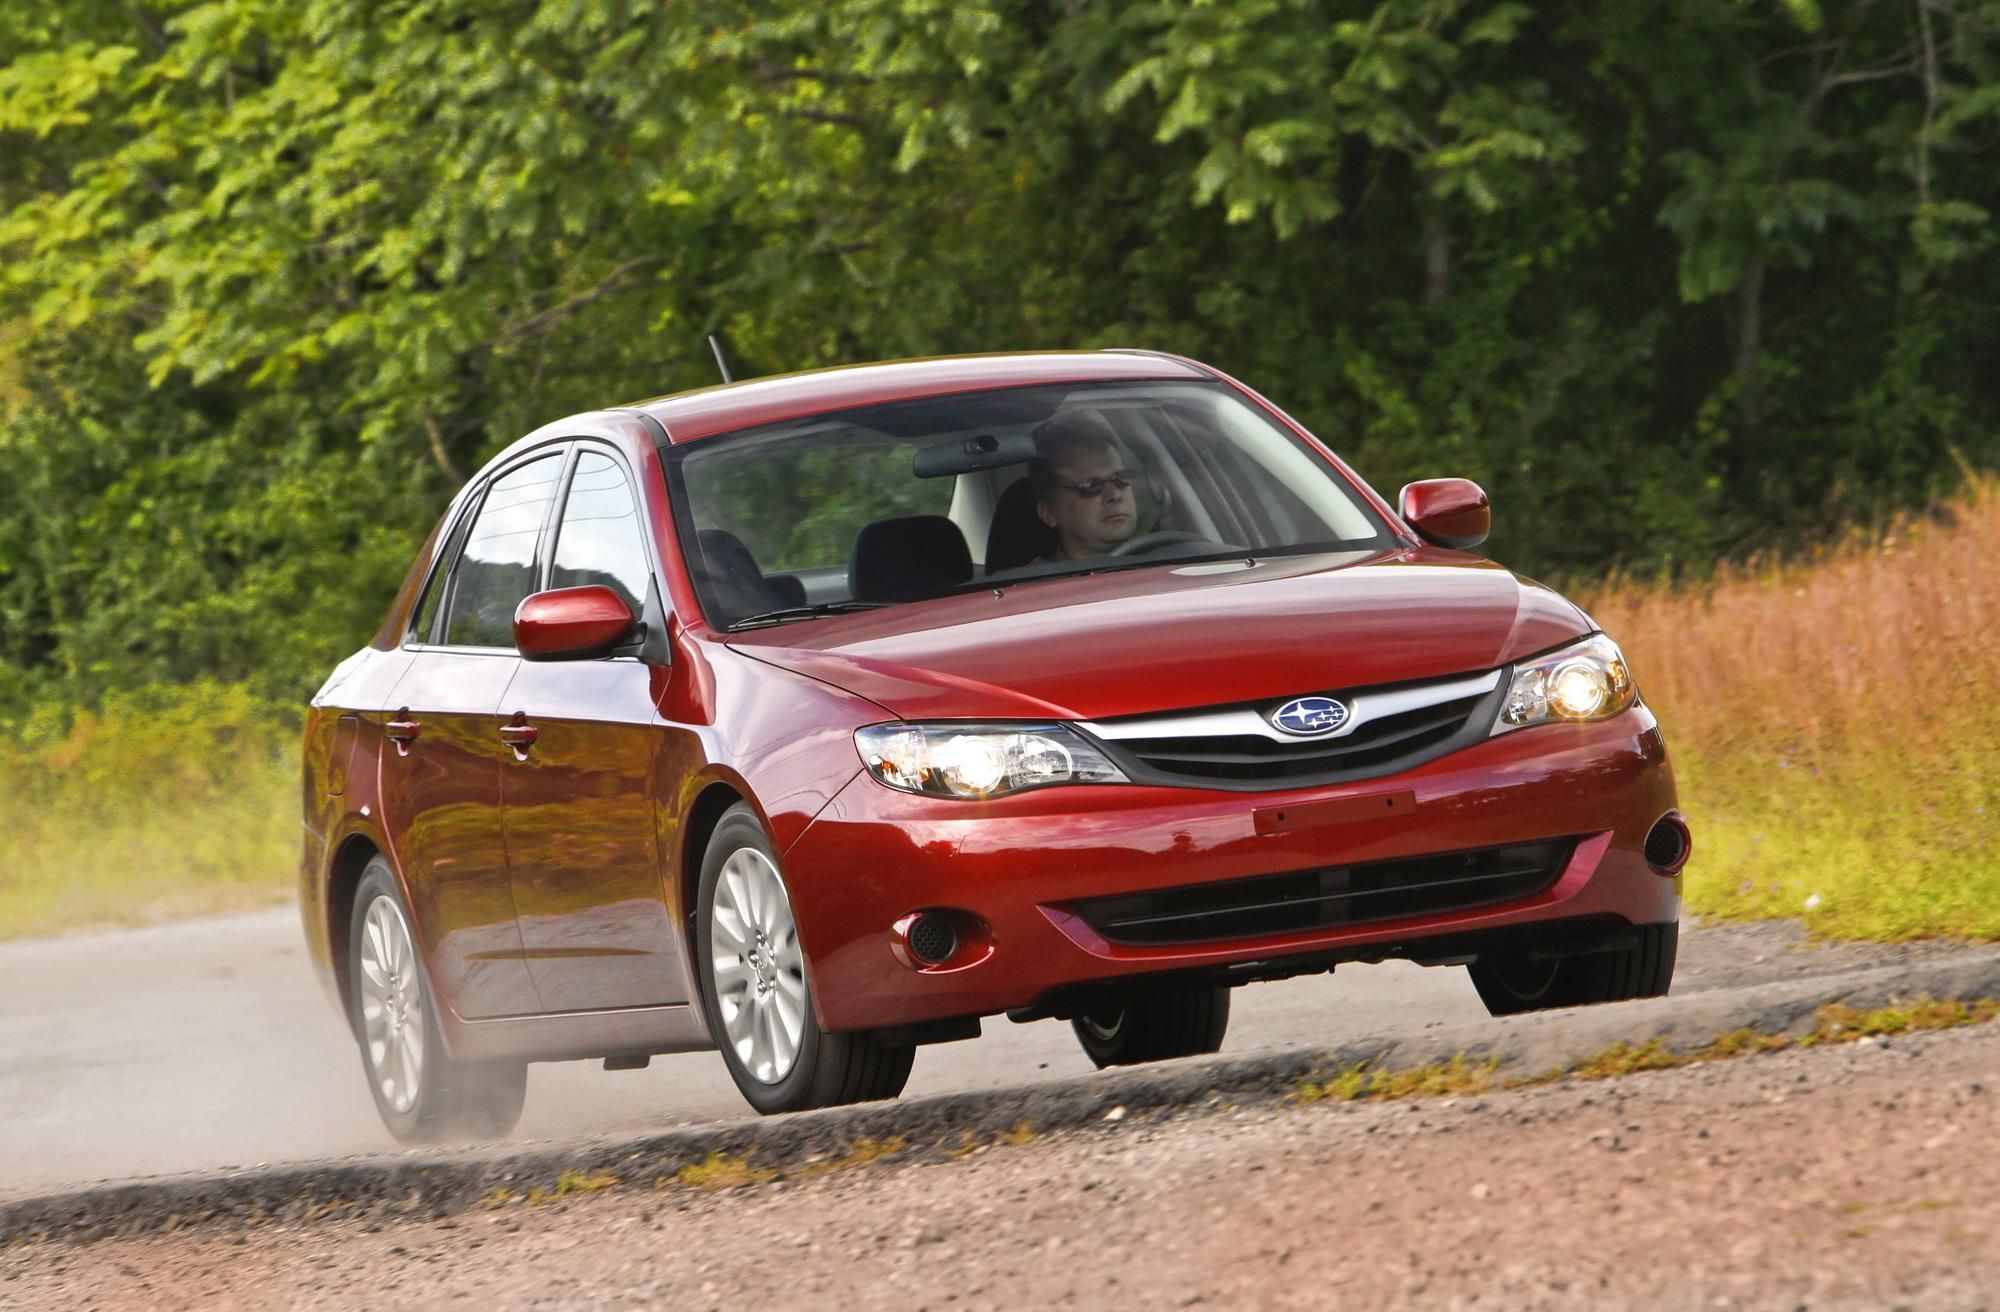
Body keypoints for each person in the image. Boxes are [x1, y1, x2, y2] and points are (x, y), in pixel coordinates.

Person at [1030, 412, 1143, 560]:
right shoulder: (1037, 582)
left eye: (1119, 478)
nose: (1115, 495)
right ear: (1049, 513)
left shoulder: (1172, 561)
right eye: (1091, 485)